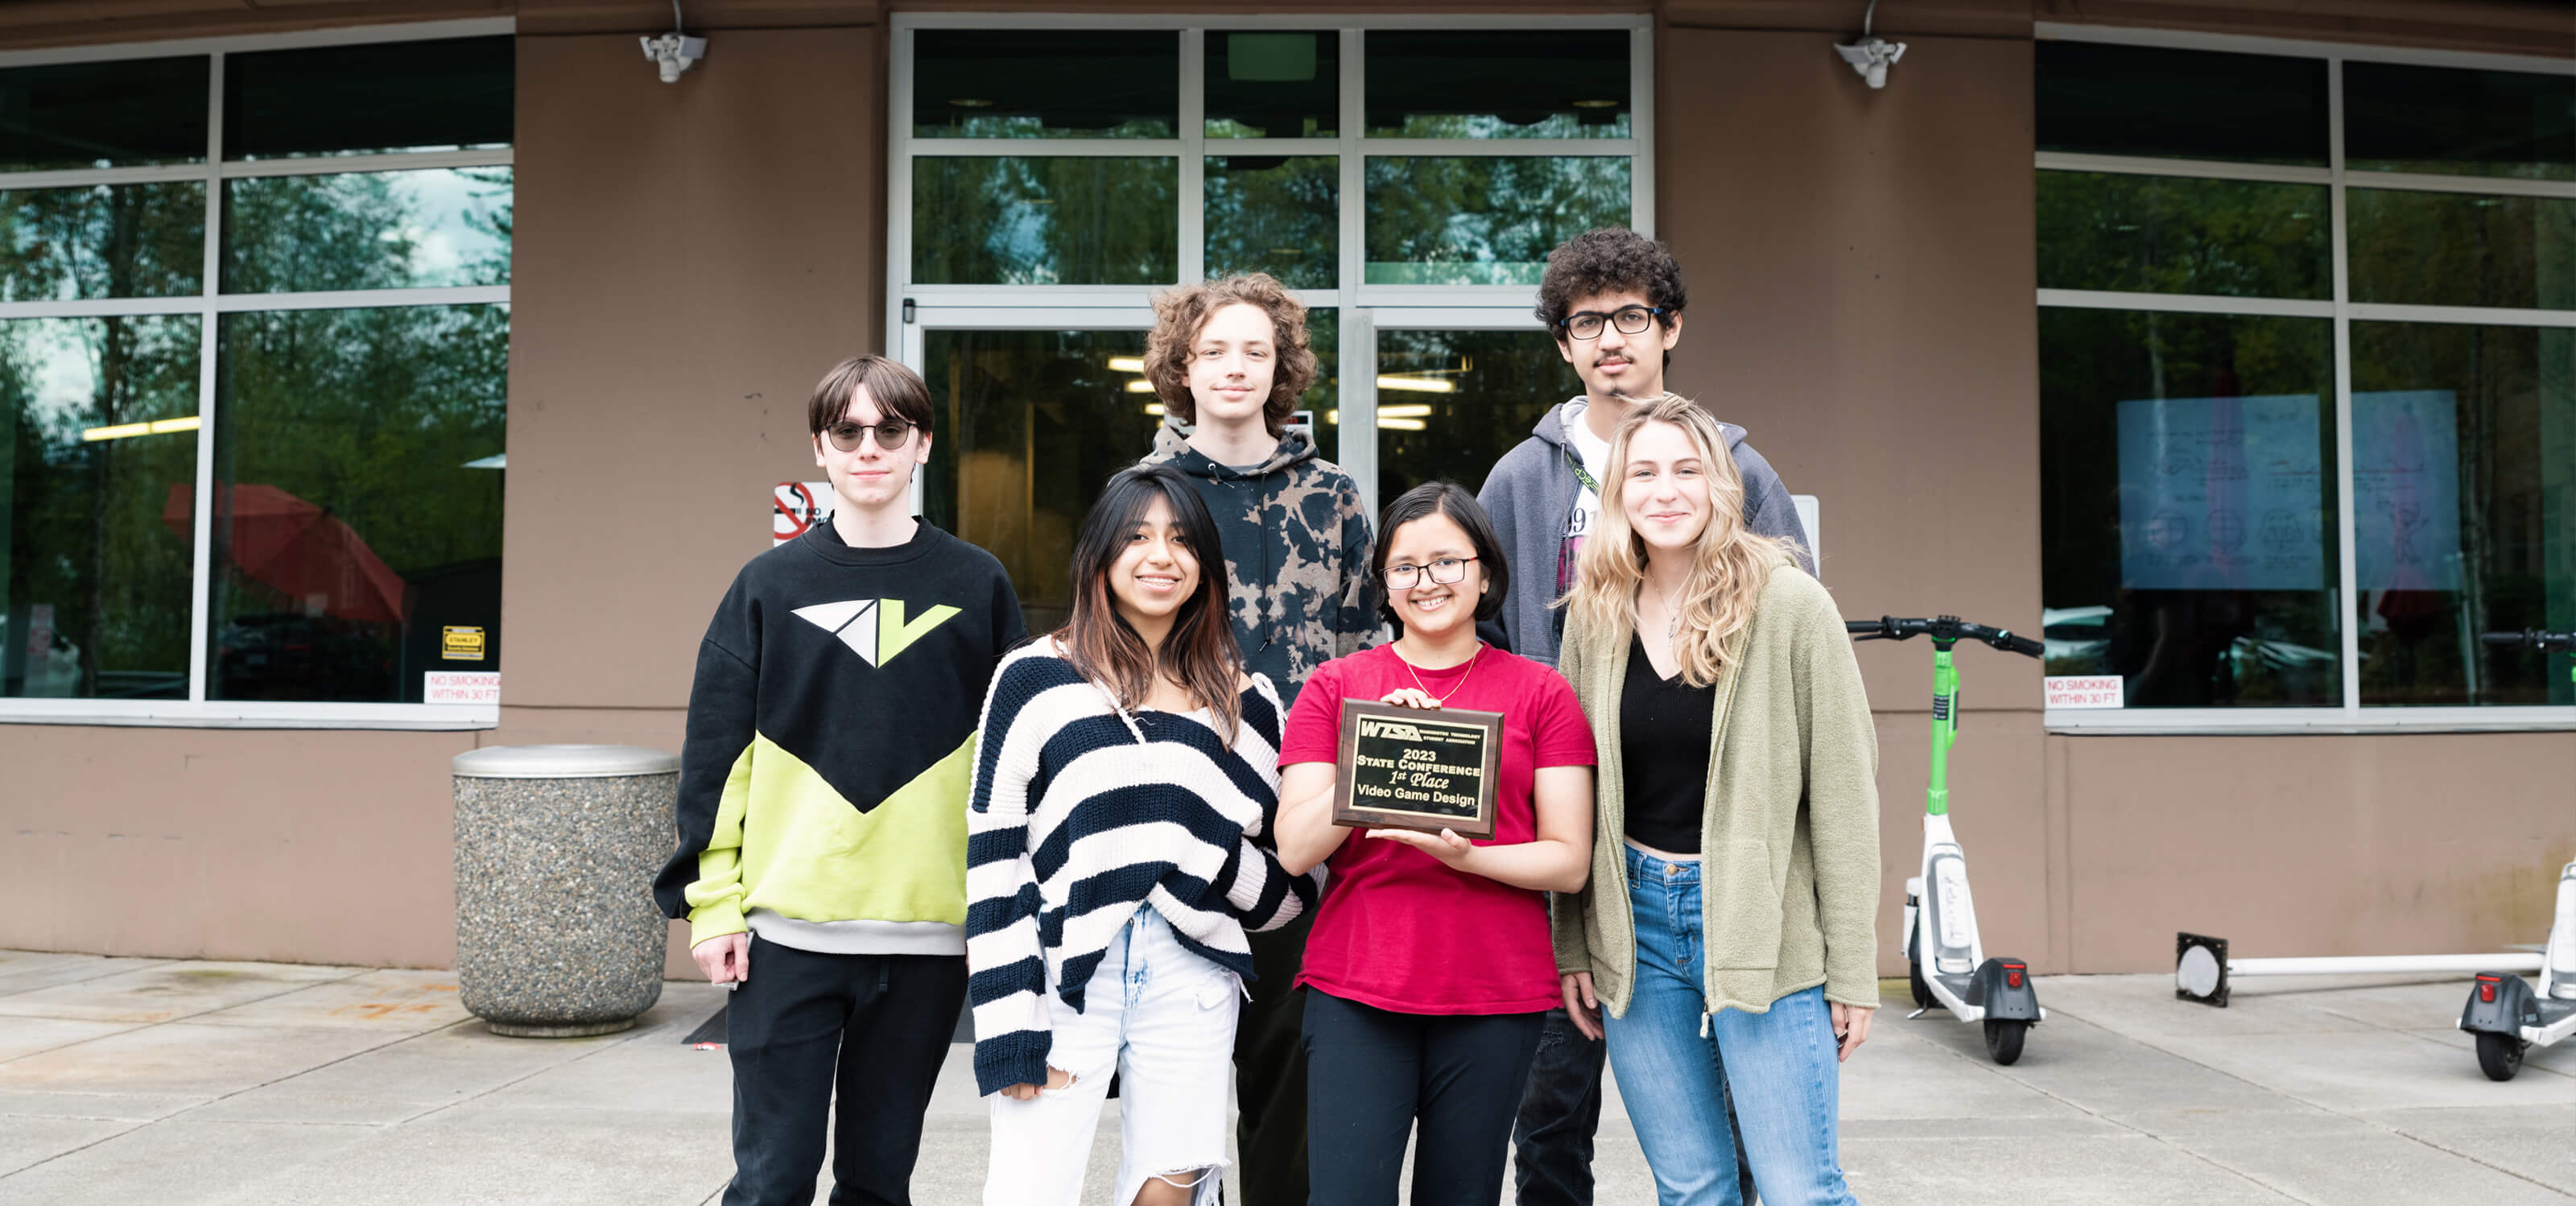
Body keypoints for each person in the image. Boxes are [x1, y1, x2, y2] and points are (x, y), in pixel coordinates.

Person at [1480, 228, 1808, 1206]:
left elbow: (1796, 640)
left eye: (1630, 316)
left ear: (1670, 328)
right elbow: (1482, 640)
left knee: (1747, 1106)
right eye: (1586, 322)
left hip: (1705, 837)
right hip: (1560, 830)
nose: (1609, 339)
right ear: (1563, 344)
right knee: (1550, 1096)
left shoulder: (1738, 473)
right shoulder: (1518, 480)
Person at [653, 355, 1027, 1206]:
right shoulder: (767, 585)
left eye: (889, 429)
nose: (869, 447)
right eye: (847, 431)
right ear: (818, 448)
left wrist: (1003, 914)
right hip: (787, 937)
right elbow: (717, 758)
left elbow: (1014, 763)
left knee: (876, 1181)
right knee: (772, 1180)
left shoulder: (977, 583)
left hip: (928, 942)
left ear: (922, 443)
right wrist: (712, 909)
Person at [1553, 396, 1880, 1206]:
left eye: (1686, 470)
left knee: (1800, 1187)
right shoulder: (1595, 615)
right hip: (1636, 926)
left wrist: (1852, 968)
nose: (1665, 491)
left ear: (1720, 485)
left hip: (1760, 921)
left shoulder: (1790, 604)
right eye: (1644, 472)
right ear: (1617, 491)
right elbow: (1567, 787)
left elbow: (1842, 797)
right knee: (1692, 1188)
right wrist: (1571, 942)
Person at [967, 463, 1323, 1206]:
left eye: (1181, 540)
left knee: (1173, 1190)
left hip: (1191, 974)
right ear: (1099, 554)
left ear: (1205, 566)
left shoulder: (1247, 703)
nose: (1161, 556)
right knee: (1029, 1190)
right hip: (1065, 972)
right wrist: (1008, 1023)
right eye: (1137, 537)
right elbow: (996, 858)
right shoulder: (1034, 679)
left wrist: (1201, 856)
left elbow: (1293, 885)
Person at [1272, 482, 1596, 1206]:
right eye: (1405, 567)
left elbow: (1569, 860)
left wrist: (1467, 856)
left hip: (1495, 993)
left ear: (1485, 574)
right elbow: (1294, 848)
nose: (1428, 582)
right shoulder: (1336, 688)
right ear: (1384, 585)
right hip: (1360, 985)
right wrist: (1375, 750)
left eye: (1448, 561)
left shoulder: (1543, 693)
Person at [1137, 271, 1379, 1205]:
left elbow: (1368, 653)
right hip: (1178, 828)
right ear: (1181, 368)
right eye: (1213, 350)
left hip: (1306, 830)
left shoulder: (1335, 497)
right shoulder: (1140, 498)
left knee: (1291, 1085)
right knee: (1177, 1092)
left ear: (1280, 367)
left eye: (1254, 350)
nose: (1233, 368)